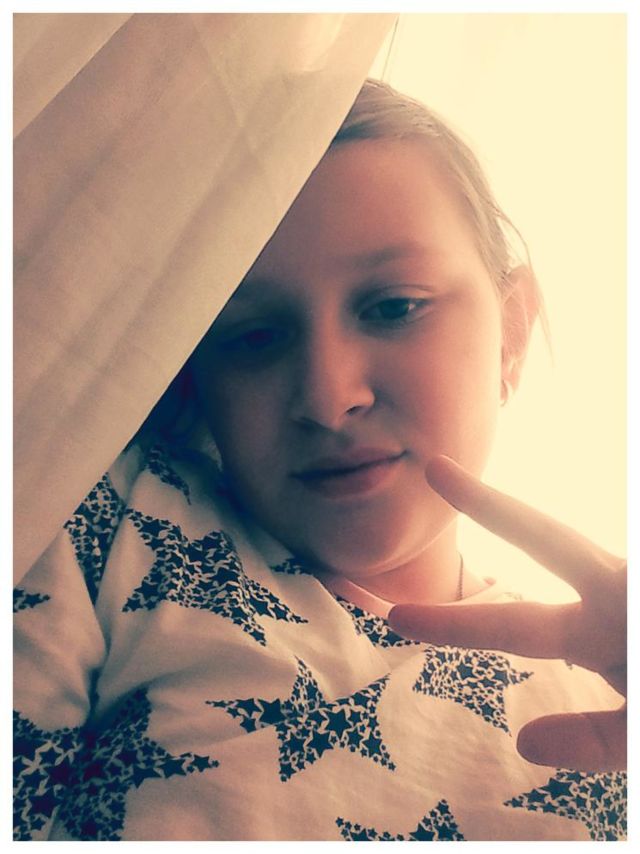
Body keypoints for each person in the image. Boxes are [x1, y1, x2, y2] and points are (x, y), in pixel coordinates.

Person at [13, 79, 626, 841]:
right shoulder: (110, 525)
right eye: (253, 336)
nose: (328, 397)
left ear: (511, 334)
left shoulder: (605, 702)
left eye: (395, 307)